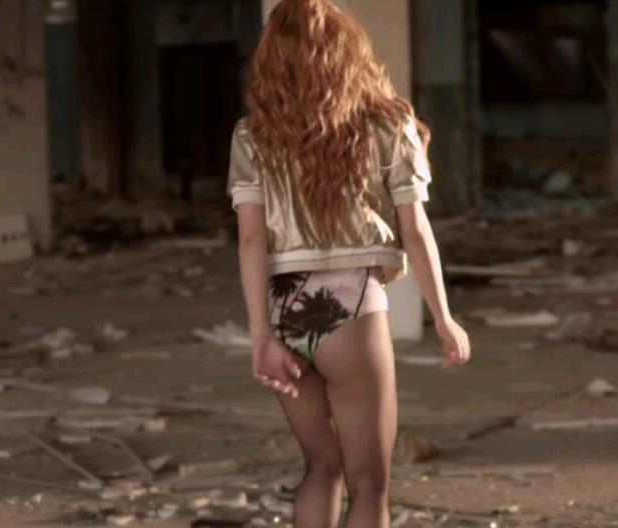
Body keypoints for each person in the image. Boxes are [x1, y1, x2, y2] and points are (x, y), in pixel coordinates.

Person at [228, 1, 471, 526]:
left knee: (321, 468)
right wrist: (443, 316)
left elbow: (250, 240)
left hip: (284, 309)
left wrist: (261, 336)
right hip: (351, 306)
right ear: (346, 51)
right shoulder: (389, 122)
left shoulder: (252, 135)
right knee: (369, 484)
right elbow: (415, 230)